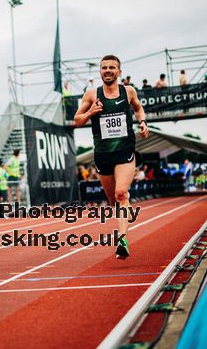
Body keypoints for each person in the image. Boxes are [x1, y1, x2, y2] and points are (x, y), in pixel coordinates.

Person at [74, 54, 149, 259]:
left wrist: (142, 122)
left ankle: (122, 240)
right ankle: (124, 210)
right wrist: (91, 112)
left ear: (119, 72)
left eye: (112, 67)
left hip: (125, 151)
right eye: (104, 67)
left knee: (121, 193)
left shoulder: (129, 91)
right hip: (102, 155)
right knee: (113, 201)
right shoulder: (92, 95)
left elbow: (138, 108)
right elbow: (77, 120)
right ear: (100, 71)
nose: (108, 70)